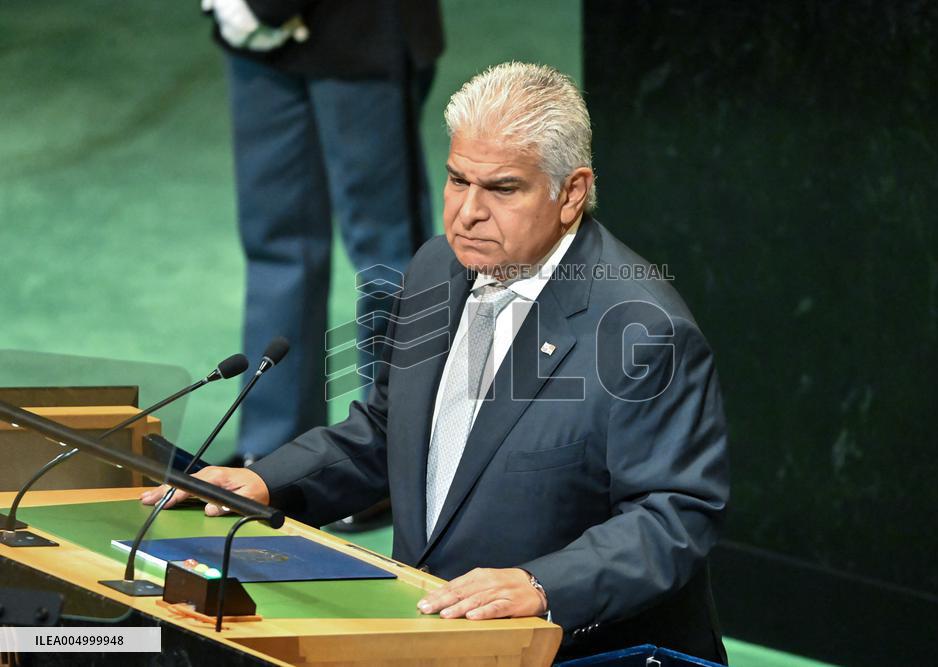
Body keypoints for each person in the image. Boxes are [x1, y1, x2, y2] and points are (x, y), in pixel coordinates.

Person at [144, 62, 730, 662]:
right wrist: (268, 480)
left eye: (502, 189)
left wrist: (542, 586)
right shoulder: (437, 268)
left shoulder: (641, 329)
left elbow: (672, 518)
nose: (467, 213)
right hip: (423, 630)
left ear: (571, 193)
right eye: (456, 180)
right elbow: (387, 430)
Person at [203, 0, 444, 464]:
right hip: (255, 40)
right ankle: (275, 448)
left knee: (387, 259)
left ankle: (389, 456)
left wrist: (266, 7)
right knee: (276, 246)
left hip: (359, 30)